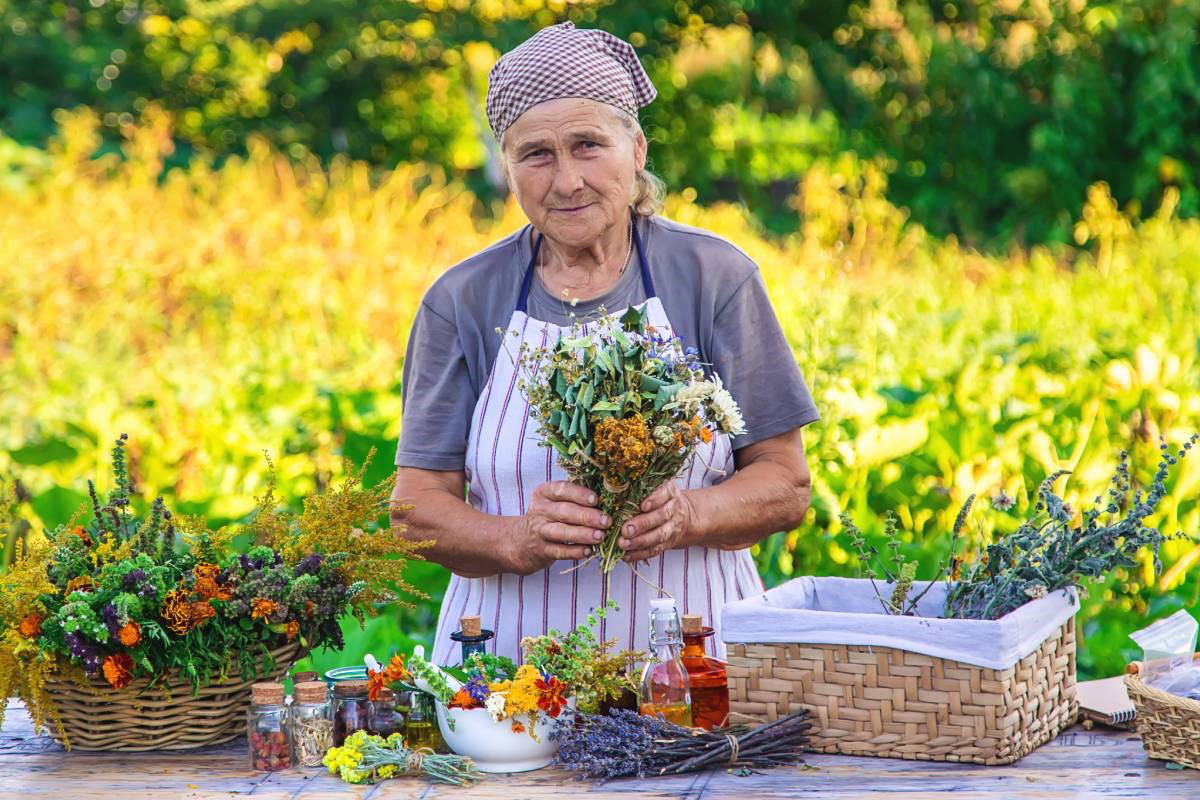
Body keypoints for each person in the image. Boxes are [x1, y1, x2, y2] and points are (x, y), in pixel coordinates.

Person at [391, 22, 819, 665]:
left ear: (637, 148)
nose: (566, 181)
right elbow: (415, 511)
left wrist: (687, 515)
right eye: (535, 154)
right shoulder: (463, 300)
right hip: (508, 685)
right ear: (508, 169)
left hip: (699, 677)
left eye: (588, 145)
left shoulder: (713, 277)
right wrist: (516, 539)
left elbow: (786, 484)